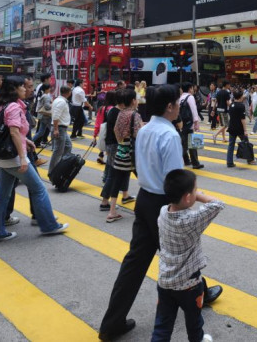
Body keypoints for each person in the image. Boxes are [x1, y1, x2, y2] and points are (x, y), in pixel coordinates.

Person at [98, 85, 222, 341]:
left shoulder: (144, 130)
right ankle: (199, 292)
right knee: (183, 252)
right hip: (165, 203)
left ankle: (111, 324)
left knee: (134, 262)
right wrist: (198, 199)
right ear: (169, 106)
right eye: (177, 103)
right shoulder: (170, 135)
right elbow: (177, 181)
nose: (179, 107)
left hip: (144, 199)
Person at [0, 76, 68, 244]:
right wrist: (23, 157)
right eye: (23, 87)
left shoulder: (2, 105)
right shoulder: (14, 107)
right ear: (14, 89)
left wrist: (27, 140)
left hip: (4, 157)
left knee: (1, 196)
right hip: (14, 157)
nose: (26, 90)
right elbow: (14, 132)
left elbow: (12, 131)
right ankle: (49, 225)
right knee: (38, 189)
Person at [152, 169, 224, 342]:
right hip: (189, 286)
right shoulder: (190, 220)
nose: (197, 192)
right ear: (187, 197)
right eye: (195, 190)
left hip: (165, 282)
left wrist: (192, 195)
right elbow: (218, 204)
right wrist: (198, 197)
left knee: (162, 325)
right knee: (194, 321)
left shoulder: (163, 212)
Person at [105, 88, 143, 223]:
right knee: (144, 181)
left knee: (116, 180)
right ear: (133, 101)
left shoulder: (121, 113)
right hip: (132, 154)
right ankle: (142, 210)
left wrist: (121, 140)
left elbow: (116, 129)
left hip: (121, 151)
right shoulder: (135, 115)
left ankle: (112, 211)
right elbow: (138, 135)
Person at [99, 90, 136, 212]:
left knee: (124, 172)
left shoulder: (115, 111)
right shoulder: (117, 113)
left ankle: (125, 195)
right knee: (113, 174)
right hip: (115, 146)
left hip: (114, 145)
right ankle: (105, 202)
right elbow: (117, 131)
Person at [226, 88, 256, 167]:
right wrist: (245, 130)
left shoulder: (231, 105)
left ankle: (229, 162)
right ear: (240, 97)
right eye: (242, 95)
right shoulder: (241, 106)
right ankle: (250, 159)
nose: (243, 96)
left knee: (231, 145)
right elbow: (243, 119)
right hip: (239, 128)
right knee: (246, 143)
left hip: (231, 127)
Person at [179, 83, 204, 170]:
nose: (193, 90)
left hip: (183, 123)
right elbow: (194, 110)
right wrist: (196, 123)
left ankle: (187, 160)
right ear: (190, 89)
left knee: (185, 142)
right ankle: (195, 163)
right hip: (189, 123)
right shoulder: (190, 97)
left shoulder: (181, 97)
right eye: (193, 88)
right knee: (191, 144)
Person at [48, 86, 72, 175]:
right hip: (60, 128)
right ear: (68, 92)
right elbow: (55, 116)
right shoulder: (61, 102)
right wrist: (55, 129)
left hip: (62, 129)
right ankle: (52, 172)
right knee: (58, 151)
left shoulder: (59, 100)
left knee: (68, 146)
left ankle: (62, 166)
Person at [94, 91, 116, 165]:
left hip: (103, 129)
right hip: (111, 131)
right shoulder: (114, 109)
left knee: (103, 142)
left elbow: (97, 123)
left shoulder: (101, 108)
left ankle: (101, 156)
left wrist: (95, 135)